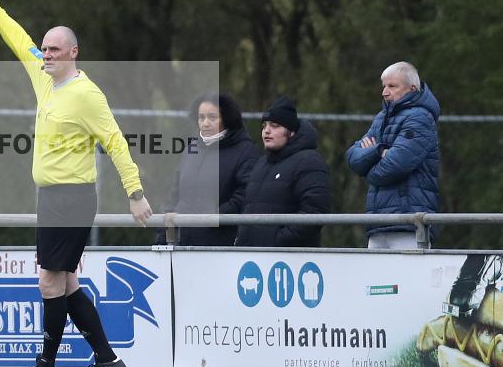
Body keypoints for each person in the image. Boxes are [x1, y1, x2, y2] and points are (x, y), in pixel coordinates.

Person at [0, 0, 152, 367]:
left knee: (49, 281)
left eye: (54, 49)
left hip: (73, 197)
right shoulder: (44, 75)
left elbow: (116, 142)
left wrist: (134, 193)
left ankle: (47, 365)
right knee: (66, 282)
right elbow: (18, 39)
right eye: (45, 49)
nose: (46, 54)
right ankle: (108, 360)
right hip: (50, 198)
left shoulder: (87, 94)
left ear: (73, 52)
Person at [345, 61, 440, 249]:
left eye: (392, 86)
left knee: (410, 278)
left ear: (412, 88)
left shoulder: (420, 118)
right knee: (375, 279)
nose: (384, 92)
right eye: (384, 86)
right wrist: (379, 151)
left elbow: (394, 166)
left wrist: (369, 168)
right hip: (379, 223)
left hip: (409, 225)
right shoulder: (381, 118)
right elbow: (353, 158)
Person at [158, 93, 259, 246]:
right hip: (182, 240)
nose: (205, 123)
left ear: (226, 119)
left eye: (212, 117)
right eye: (201, 117)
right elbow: (175, 192)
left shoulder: (245, 150)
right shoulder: (191, 149)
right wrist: (164, 229)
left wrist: (214, 216)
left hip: (220, 243)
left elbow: (245, 195)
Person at [235, 96, 330, 247]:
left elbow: (314, 211)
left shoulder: (309, 161)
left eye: (275, 126)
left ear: (291, 132)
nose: (267, 131)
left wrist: (277, 240)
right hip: (252, 259)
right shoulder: (261, 163)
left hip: (289, 262)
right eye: (264, 125)